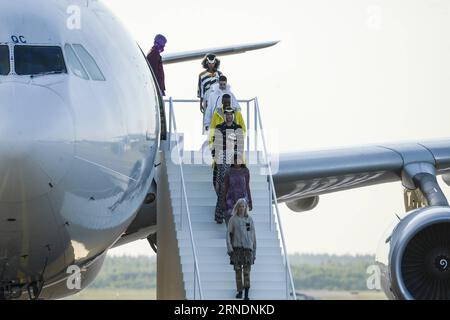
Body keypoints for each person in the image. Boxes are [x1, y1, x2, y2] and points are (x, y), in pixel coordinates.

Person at [211, 106, 244, 224]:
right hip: (222, 159)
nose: (229, 116)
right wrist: (217, 159)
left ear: (233, 115)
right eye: (227, 114)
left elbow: (240, 147)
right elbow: (215, 146)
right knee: (221, 188)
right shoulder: (219, 128)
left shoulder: (238, 128)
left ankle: (233, 214)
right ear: (224, 115)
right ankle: (220, 214)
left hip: (234, 160)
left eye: (231, 114)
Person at [226, 198, 256, 300]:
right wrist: (229, 248)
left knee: (247, 272)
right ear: (237, 207)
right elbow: (228, 234)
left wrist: (254, 251)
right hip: (237, 249)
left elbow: (252, 236)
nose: (242, 208)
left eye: (243, 206)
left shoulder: (249, 219)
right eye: (240, 206)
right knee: (238, 271)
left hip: (248, 250)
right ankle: (240, 291)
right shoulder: (233, 220)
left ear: (246, 207)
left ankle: (246, 295)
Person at [223, 154, 253, 225]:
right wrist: (223, 201)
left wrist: (250, 201)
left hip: (242, 199)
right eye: (235, 161)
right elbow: (225, 187)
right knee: (231, 220)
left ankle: (241, 234)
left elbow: (247, 186)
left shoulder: (245, 171)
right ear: (232, 162)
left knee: (242, 221)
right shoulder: (228, 171)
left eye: (239, 161)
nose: (237, 163)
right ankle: (231, 234)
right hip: (231, 199)